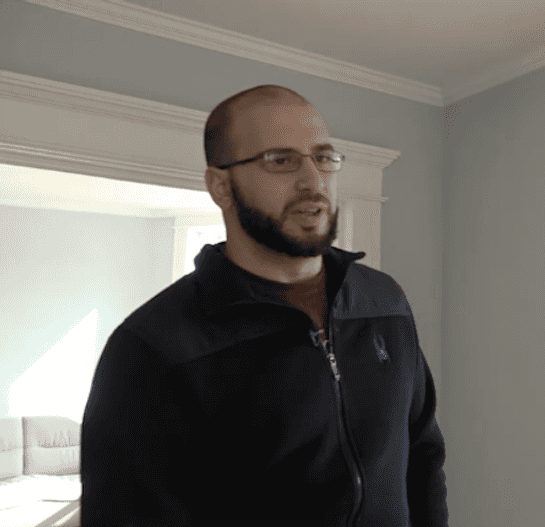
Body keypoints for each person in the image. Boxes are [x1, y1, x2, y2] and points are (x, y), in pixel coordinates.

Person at [80, 85, 448, 526]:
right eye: (280, 160)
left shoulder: (384, 301)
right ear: (221, 186)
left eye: (323, 158)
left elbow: (422, 455)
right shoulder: (152, 349)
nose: (314, 181)